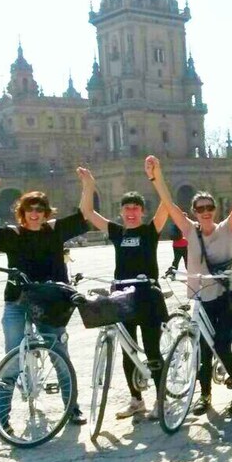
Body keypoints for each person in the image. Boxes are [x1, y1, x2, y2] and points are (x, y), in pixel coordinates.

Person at [0, 175, 88, 425]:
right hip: (17, 300)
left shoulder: (55, 230)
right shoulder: (13, 234)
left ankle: (72, 408)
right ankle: (2, 416)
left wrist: (87, 186)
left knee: (60, 356)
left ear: (46, 213)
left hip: (51, 302)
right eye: (29, 209)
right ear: (22, 212)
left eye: (39, 209)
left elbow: (84, 216)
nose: (34, 214)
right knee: (12, 360)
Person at [148, 152, 232, 416]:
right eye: (201, 208)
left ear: (215, 210)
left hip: (226, 297)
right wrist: (156, 177)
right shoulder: (190, 230)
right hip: (200, 298)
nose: (206, 212)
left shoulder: (227, 229)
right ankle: (205, 396)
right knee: (202, 348)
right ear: (195, 212)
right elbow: (169, 203)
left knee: (220, 345)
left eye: (210, 207)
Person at [76, 166, 170, 420]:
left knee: (151, 350)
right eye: (126, 209)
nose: (130, 213)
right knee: (128, 351)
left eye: (135, 208)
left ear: (142, 211)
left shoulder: (150, 231)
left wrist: (157, 178)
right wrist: (89, 185)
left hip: (148, 296)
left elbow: (167, 205)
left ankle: (162, 401)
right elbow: (87, 212)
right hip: (123, 296)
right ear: (120, 212)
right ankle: (136, 400)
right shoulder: (117, 232)